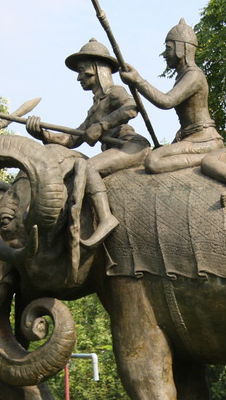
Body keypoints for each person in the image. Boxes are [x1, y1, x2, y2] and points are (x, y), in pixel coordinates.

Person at [26, 39, 150, 247]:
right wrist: (43, 135)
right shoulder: (95, 107)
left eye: (83, 72)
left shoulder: (115, 92)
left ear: (97, 70)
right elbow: (72, 138)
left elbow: (132, 107)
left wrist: (102, 126)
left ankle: (106, 218)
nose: (78, 78)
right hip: (113, 149)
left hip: (130, 146)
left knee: (85, 165)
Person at [119, 19, 224, 174]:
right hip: (189, 137)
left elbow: (167, 101)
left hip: (205, 140)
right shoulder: (182, 76)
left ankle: (208, 159)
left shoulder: (194, 75)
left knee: (153, 161)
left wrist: (138, 81)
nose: (165, 55)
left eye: (168, 49)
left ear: (181, 48)